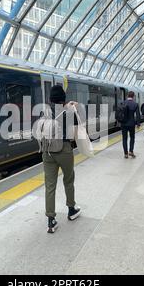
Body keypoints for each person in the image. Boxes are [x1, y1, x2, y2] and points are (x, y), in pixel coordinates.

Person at [43, 85, 81, 233]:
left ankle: (51, 220)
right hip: (64, 149)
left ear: (50, 99)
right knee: (68, 179)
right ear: (63, 99)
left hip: (47, 151)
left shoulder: (44, 111)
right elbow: (77, 129)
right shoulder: (69, 112)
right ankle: (71, 210)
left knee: (50, 185)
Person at [119, 91, 140, 159]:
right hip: (131, 124)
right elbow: (138, 115)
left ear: (127, 95)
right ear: (133, 96)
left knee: (124, 138)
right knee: (132, 137)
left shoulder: (123, 102)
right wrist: (138, 124)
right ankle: (131, 151)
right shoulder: (135, 104)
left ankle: (125, 153)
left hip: (123, 123)